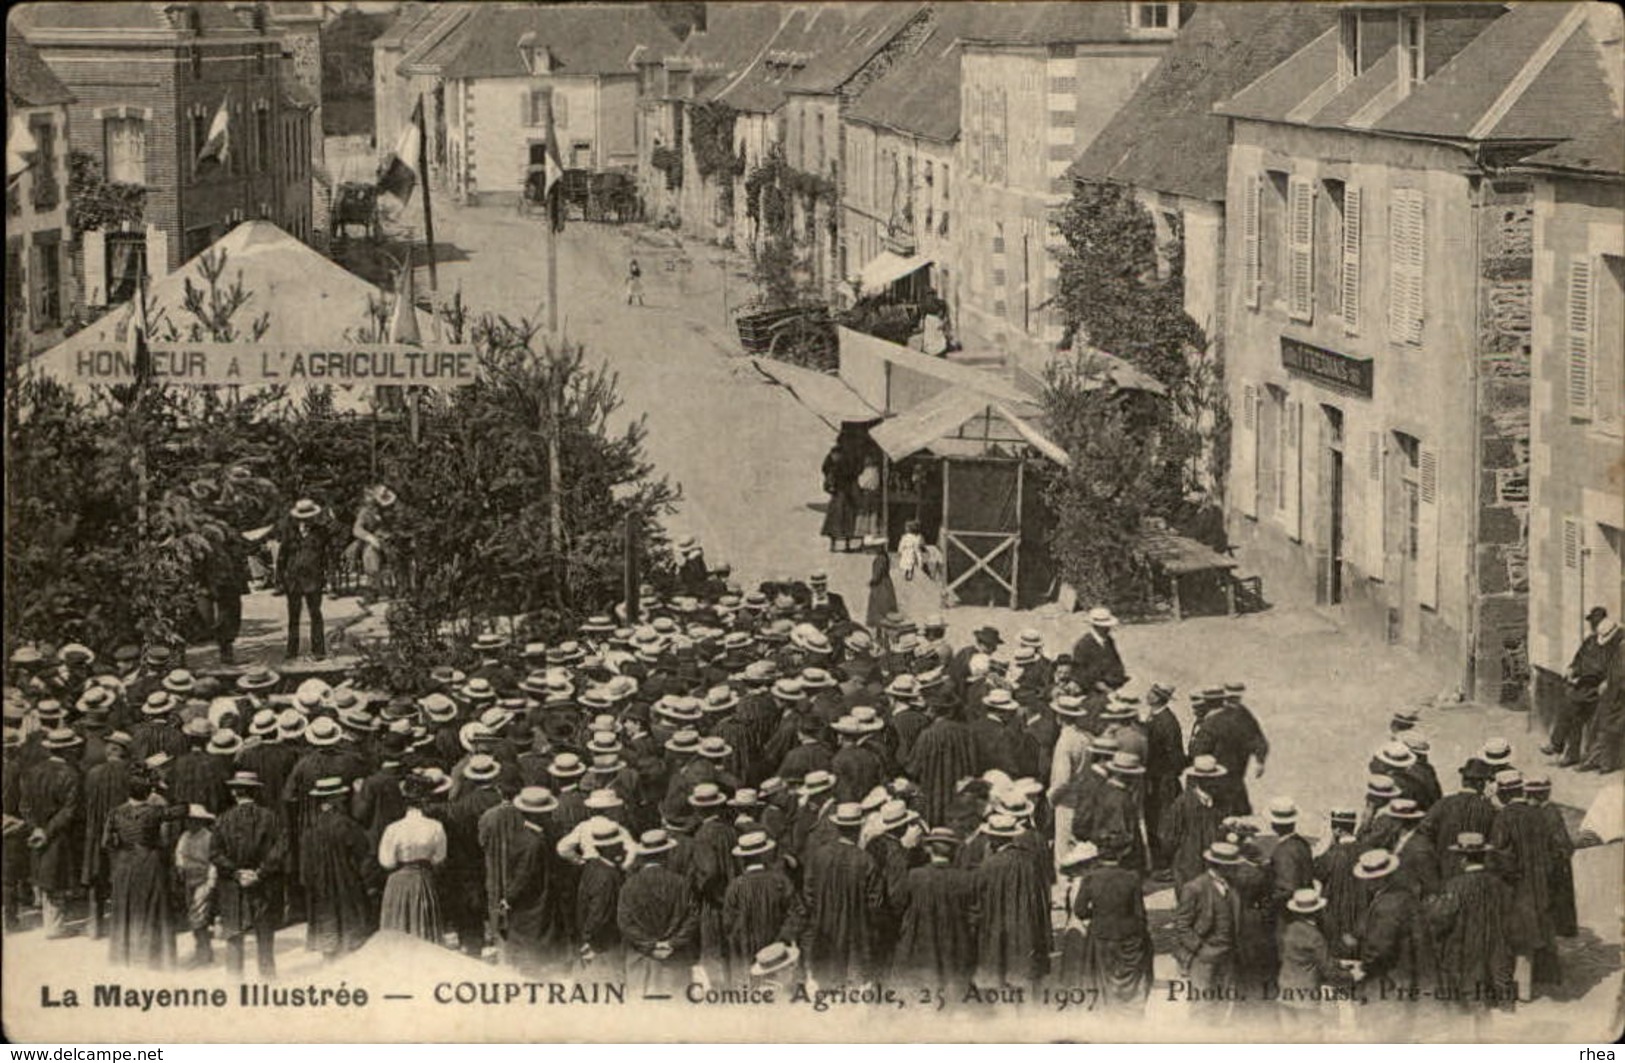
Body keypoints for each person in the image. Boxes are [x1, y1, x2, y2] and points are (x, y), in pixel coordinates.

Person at [1428, 832, 1518, 1027]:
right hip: (1498, 951)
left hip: (1465, 952)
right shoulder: (1500, 885)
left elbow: (1440, 919)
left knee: (1470, 1002)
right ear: (1484, 856)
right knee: (1502, 999)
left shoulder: (1454, 886)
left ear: (1461, 859)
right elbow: (1512, 919)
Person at [105, 768, 188, 968]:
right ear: (148, 792)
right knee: (152, 907)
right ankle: (152, 957)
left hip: (124, 862)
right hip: (150, 861)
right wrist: (163, 788)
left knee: (126, 906)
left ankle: (125, 956)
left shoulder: (115, 813)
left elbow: (107, 842)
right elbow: (183, 808)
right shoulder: (155, 812)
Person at [212, 771, 285, 979]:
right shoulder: (271, 818)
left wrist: (236, 872)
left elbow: (215, 853)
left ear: (234, 792)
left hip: (232, 885)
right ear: (256, 791)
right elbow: (280, 850)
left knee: (234, 935)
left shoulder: (223, 819)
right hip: (263, 884)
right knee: (265, 936)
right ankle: (269, 980)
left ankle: (235, 982)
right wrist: (259, 873)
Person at [1071, 832, 1153, 1009]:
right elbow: (1140, 914)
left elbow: (1080, 910)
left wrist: (1098, 914)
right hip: (1127, 935)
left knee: (1102, 979)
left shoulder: (1091, 878)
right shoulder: (1132, 878)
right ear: (1120, 854)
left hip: (1101, 933)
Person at [303, 776, 379, 962]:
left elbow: (305, 867)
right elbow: (365, 854)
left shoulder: (311, 829)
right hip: (346, 883)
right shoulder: (346, 825)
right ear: (336, 799)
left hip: (320, 886)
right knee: (350, 930)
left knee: (327, 930)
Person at [973, 812, 1050, 989]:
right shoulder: (1029, 861)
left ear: (992, 838)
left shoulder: (989, 865)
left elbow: (980, 899)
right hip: (1025, 925)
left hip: (998, 926)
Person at [618, 829, 700, 996]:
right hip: (675, 961)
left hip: (641, 961)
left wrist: (650, 945)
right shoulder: (681, 883)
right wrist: (672, 943)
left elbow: (625, 923)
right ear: (667, 854)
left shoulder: (629, 885)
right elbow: (693, 917)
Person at [893, 827, 976, 989]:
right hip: (955, 948)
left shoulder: (915, 876)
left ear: (930, 849)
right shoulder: (964, 879)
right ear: (953, 851)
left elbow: (898, 903)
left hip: (920, 948)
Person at [20, 727, 84, 939]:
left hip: (37, 832)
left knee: (43, 874)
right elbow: (69, 810)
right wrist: (47, 831)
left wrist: (35, 827)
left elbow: (24, 805)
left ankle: (50, 920)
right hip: (58, 835)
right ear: (68, 750)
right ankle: (55, 926)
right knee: (57, 877)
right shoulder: (70, 774)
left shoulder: (33, 772)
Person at [1171, 841, 1244, 1020]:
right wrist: (1201, 949)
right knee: (1202, 1007)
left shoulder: (1233, 887)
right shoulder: (1195, 888)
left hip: (1228, 955)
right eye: (1232, 866)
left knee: (1223, 1004)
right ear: (1220, 866)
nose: (1236, 870)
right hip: (1204, 959)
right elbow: (1181, 925)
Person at [722, 831, 803, 985]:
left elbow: (729, 924)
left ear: (743, 858)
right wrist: (784, 937)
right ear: (765, 854)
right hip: (778, 949)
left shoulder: (735, 886)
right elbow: (798, 913)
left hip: (747, 951)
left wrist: (742, 940)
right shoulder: (780, 880)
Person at [1275, 886, 1357, 1033]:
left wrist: (1338, 962)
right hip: (1306, 997)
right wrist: (1351, 976)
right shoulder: (1315, 936)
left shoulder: (1289, 930)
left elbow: (1302, 957)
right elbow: (1328, 971)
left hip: (1285, 993)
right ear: (1318, 911)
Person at [377, 772, 447, 943]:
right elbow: (439, 858)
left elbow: (387, 862)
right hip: (422, 880)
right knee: (422, 927)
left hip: (397, 883)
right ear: (426, 801)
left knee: (397, 928)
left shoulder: (393, 829)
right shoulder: (435, 827)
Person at [275, 499, 335, 661]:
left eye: (309, 517)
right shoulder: (290, 532)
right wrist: (280, 579)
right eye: (303, 517)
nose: (306, 520)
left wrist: (330, 580)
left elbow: (329, 558)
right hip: (293, 580)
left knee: (315, 614)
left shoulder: (322, 532)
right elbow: (282, 556)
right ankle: (292, 650)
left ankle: (318, 650)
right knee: (293, 616)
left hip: (314, 579)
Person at [174, 803, 217, 967]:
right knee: (193, 916)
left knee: (199, 916)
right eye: (188, 821)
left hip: (202, 879)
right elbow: (179, 854)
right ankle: (203, 950)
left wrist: (211, 883)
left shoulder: (208, 837)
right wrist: (180, 867)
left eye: (194, 821)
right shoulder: (185, 836)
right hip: (188, 879)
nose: (190, 824)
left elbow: (213, 861)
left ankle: (203, 954)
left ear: (201, 821)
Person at [347, 485, 398, 605]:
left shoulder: (394, 509)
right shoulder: (366, 512)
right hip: (376, 541)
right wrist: (370, 538)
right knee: (370, 552)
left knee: (399, 553)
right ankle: (372, 590)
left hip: (393, 540)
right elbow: (357, 529)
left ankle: (400, 588)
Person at [1070, 608, 1128, 695]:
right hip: (1092, 689)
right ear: (1097, 626)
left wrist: (1119, 678)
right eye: (1105, 627)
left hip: (1112, 683)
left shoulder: (1108, 641)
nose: (1109, 629)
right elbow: (1080, 674)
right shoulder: (1083, 645)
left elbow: (1117, 663)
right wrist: (1102, 687)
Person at [864, 537, 898, 632]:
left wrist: (871, 582)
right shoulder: (885, 556)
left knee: (879, 609)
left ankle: (880, 632)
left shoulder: (879, 558)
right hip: (886, 583)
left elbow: (877, 574)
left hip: (880, 586)